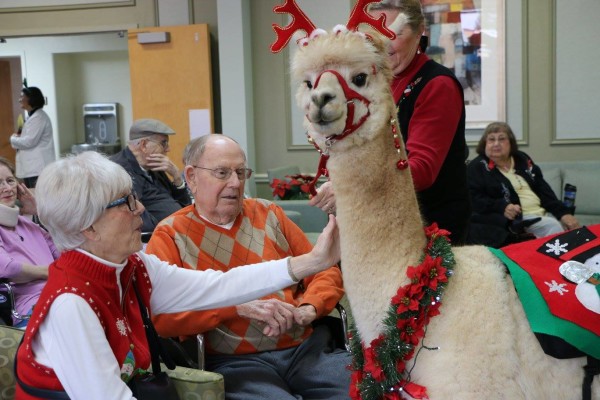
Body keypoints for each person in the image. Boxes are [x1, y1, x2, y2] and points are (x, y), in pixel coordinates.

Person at [14, 150, 340, 399]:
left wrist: (310, 263)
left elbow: (220, 286)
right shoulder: (71, 303)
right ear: (88, 227)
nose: (140, 209)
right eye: (125, 202)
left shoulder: (133, 267)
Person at [146, 134, 351, 400]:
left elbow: (323, 269)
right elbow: (160, 317)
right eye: (222, 173)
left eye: (241, 173)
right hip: (233, 362)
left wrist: (310, 308)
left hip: (305, 348)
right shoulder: (170, 235)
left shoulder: (269, 214)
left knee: (360, 392)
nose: (235, 183)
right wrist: (234, 309)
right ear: (191, 176)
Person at [310, 0, 471, 244]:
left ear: (420, 32)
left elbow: (422, 170)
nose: (380, 43)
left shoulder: (437, 85)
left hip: (429, 232)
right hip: (381, 224)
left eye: (392, 33)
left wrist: (349, 185)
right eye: (371, 34)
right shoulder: (372, 83)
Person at [466, 121, 580, 246]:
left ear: (510, 142)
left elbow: (543, 190)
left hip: (541, 215)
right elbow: (473, 198)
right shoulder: (477, 167)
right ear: (484, 144)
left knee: (574, 232)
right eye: (491, 140)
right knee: (554, 229)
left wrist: (563, 213)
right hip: (516, 221)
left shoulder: (522, 159)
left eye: (502, 139)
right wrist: (502, 206)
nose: (496, 144)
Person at [0, 157, 58, 327]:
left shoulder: (27, 223)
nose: (7, 188)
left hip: (62, 292)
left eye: (10, 180)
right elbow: (8, 268)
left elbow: (65, 252)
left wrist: (39, 212)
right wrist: (52, 272)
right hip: (30, 307)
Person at [110, 118, 191, 232]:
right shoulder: (119, 170)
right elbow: (139, 219)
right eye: (163, 143)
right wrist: (172, 225)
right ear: (144, 145)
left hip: (178, 230)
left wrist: (177, 177)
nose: (168, 149)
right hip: (156, 238)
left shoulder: (154, 165)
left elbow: (186, 206)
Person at [10, 86, 55, 188]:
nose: (19, 99)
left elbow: (29, 142)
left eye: (22, 96)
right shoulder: (32, 116)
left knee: (37, 198)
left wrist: (13, 139)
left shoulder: (38, 117)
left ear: (31, 98)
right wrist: (19, 139)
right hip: (33, 168)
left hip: (37, 169)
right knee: (33, 197)